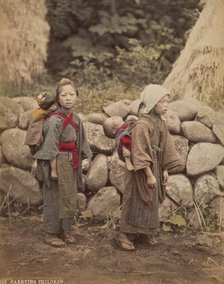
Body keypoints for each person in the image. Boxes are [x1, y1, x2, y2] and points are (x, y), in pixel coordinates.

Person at [116, 84, 182, 251]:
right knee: (134, 199)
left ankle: (145, 232)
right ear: (152, 102)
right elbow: (139, 151)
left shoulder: (160, 123)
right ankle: (124, 233)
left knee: (150, 200)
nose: (166, 105)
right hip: (141, 169)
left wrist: (164, 170)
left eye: (168, 101)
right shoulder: (142, 125)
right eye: (162, 102)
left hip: (156, 165)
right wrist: (148, 174)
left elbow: (165, 146)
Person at [34, 78, 92, 247]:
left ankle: (64, 230)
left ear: (77, 97)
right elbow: (50, 146)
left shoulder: (76, 118)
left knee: (68, 197)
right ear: (58, 98)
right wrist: (53, 169)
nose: (68, 98)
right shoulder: (54, 121)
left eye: (72, 94)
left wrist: (87, 156)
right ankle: (51, 233)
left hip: (70, 162)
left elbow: (82, 140)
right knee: (53, 197)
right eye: (64, 95)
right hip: (56, 162)